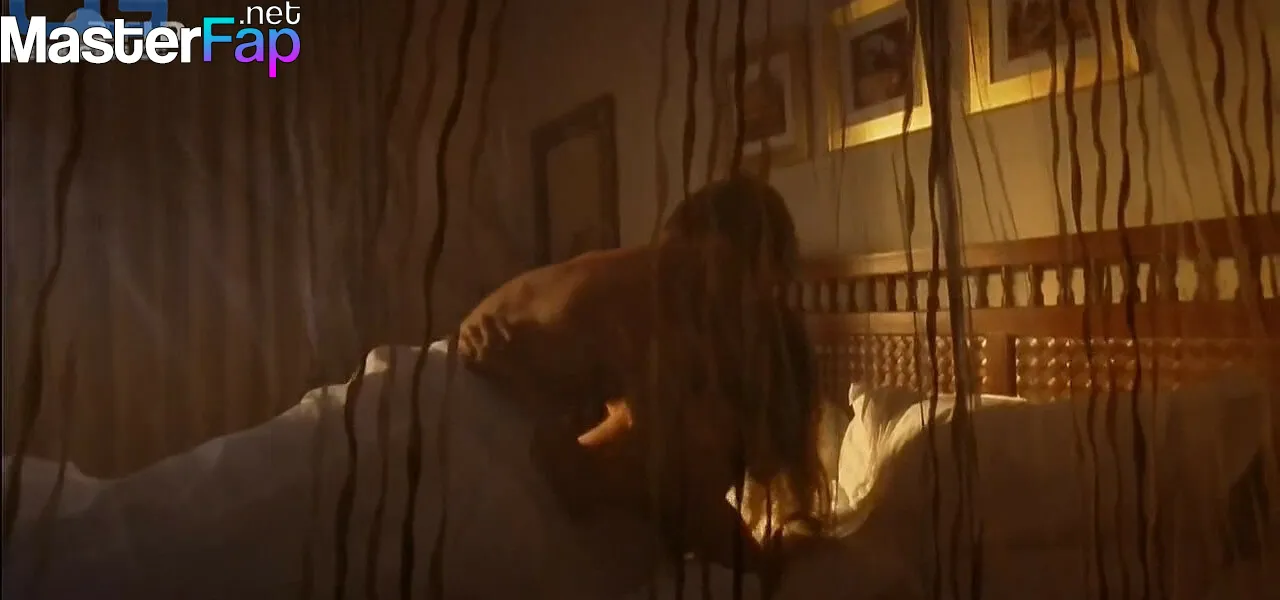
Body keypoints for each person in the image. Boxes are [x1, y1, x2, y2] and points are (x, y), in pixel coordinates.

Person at [454, 175, 829, 575]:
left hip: (461, 389)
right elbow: (683, 495)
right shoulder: (677, 298)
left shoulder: (641, 296)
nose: (761, 307)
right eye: (770, 286)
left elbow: (616, 459)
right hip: (471, 425)